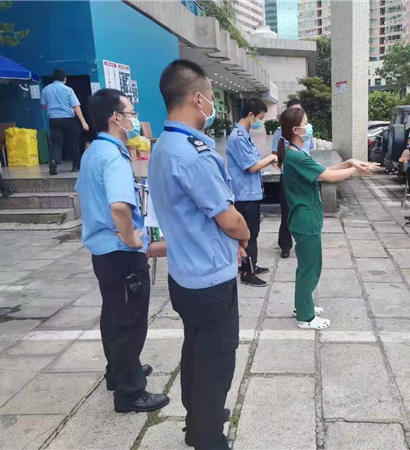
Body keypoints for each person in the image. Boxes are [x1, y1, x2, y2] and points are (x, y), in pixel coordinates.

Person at [148, 59, 250, 450]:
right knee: (216, 358)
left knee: (196, 349)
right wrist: (244, 236)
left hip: (185, 273)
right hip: (208, 280)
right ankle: (207, 437)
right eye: (210, 98)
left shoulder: (163, 147)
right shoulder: (193, 154)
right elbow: (230, 219)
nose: (212, 107)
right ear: (196, 99)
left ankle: (199, 417)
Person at [75, 88, 169, 413]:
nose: (134, 118)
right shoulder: (113, 157)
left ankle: (118, 370)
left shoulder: (93, 152)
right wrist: (131, 239)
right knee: (130, 321)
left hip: (103, 252)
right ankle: (130, 393)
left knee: (114, 316)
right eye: (130, 112)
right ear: (115, 117)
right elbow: (119, 206)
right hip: (121, 252)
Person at [277, 107, 375, 329]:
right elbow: (329, 176)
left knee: (307, 266)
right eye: (306, 123)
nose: (309, 127)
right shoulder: (295, 155)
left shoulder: (297, 152)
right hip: (305, 219)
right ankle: (305, 317)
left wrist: (350, 163)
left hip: (306, 216)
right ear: (296, 130)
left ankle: (302, 305)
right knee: (310, 269)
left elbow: (324, 170)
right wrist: (355, 171)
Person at [227, 98, 277, 287]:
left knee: (252, 233)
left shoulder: (244, 135)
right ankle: (247, 273)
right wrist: (271, 158)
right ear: (250, 115)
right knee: (248, 234)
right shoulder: (238, 137)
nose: (260, 122)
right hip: (244, 195)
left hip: (250, 193)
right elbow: (251, 166)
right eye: (260, 118)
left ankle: (251, 265)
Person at [271, 98, 313, 258]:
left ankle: (304, 242)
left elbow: (309, 151)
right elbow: (274, 155)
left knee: (305, 212)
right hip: (288, 178)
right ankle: (285, 245)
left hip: (305, 177)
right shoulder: (280, 132)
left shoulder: (307, 130)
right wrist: (284, 168)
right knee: (287, 213)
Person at [41, 68, 89, 175]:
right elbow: (76, 106)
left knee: (55, 143)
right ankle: (75, 166)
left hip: (53, 120)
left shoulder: (45, 90)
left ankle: (54, 161)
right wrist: (83, 122)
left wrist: (53, 108)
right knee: (73, 142)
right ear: (64, 79)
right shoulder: (68, 90)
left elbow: (44, 105)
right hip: (69, 119)